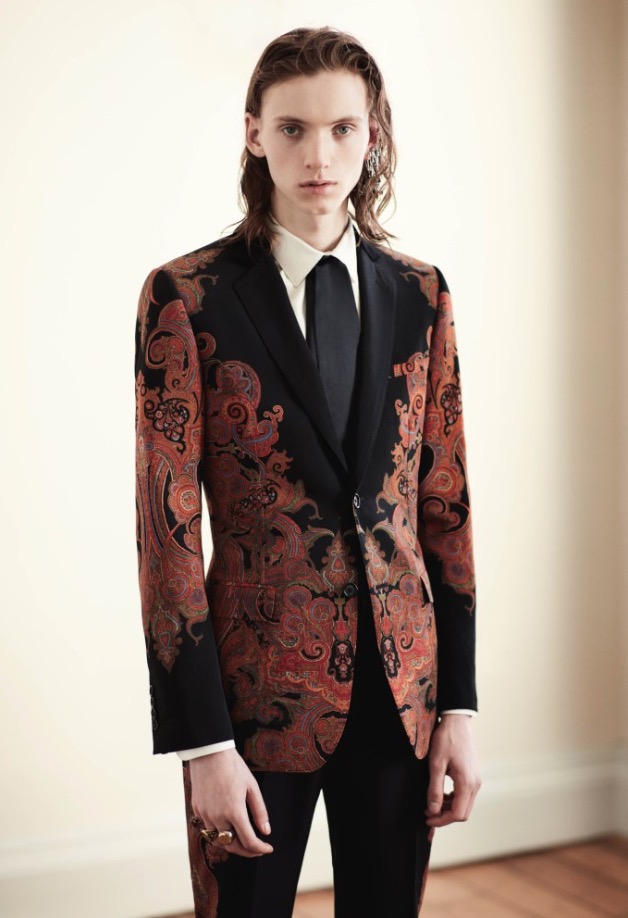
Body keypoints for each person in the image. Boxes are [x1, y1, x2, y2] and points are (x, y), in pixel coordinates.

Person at [134, 25, 480, 918]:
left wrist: (461, 707)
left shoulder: (422, 294)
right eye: (292, 129)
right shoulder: (188, 297)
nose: (318, 156)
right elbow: (167, 536)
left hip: (403, 696)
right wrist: (202, 744)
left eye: (341, 129)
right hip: (253, 704)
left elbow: (445, 508)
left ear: (373, 135)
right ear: (254, 134)